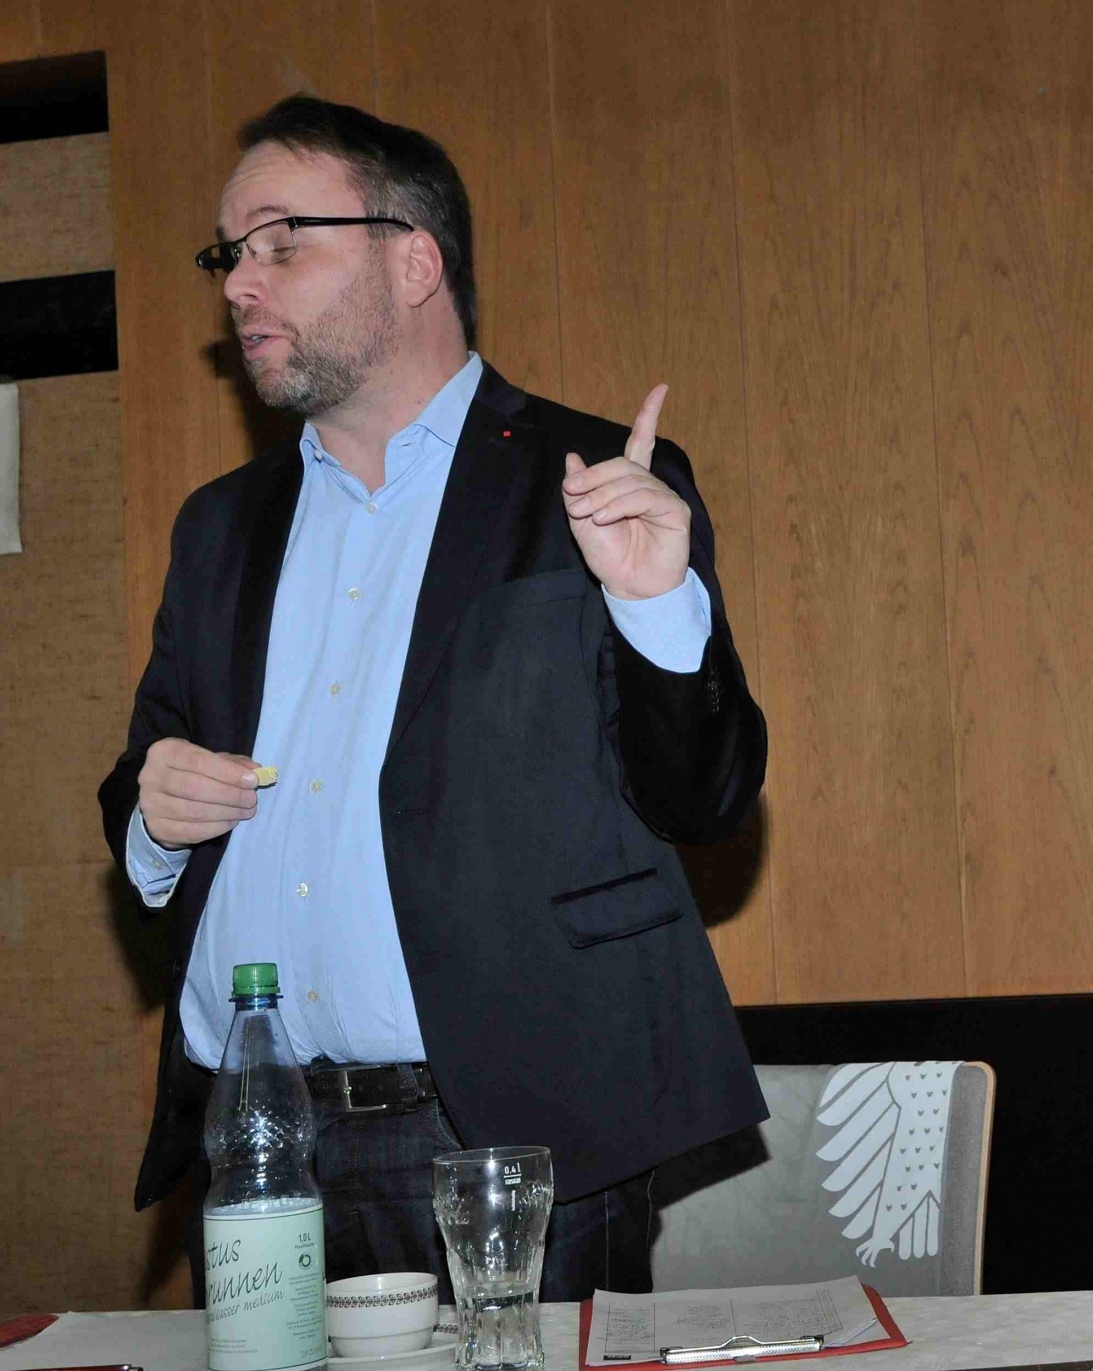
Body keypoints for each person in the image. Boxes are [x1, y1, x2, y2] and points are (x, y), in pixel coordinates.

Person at [97, 95, 768, 1301]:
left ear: (414, 262)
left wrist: (657, 608)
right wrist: (153, 817)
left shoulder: (595, 485)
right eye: (227, 254)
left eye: (280, 242)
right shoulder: (218, 528)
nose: (239, 285)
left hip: (502, 1137)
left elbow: (706, 798)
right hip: (258, 1138)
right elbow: (143, 777)